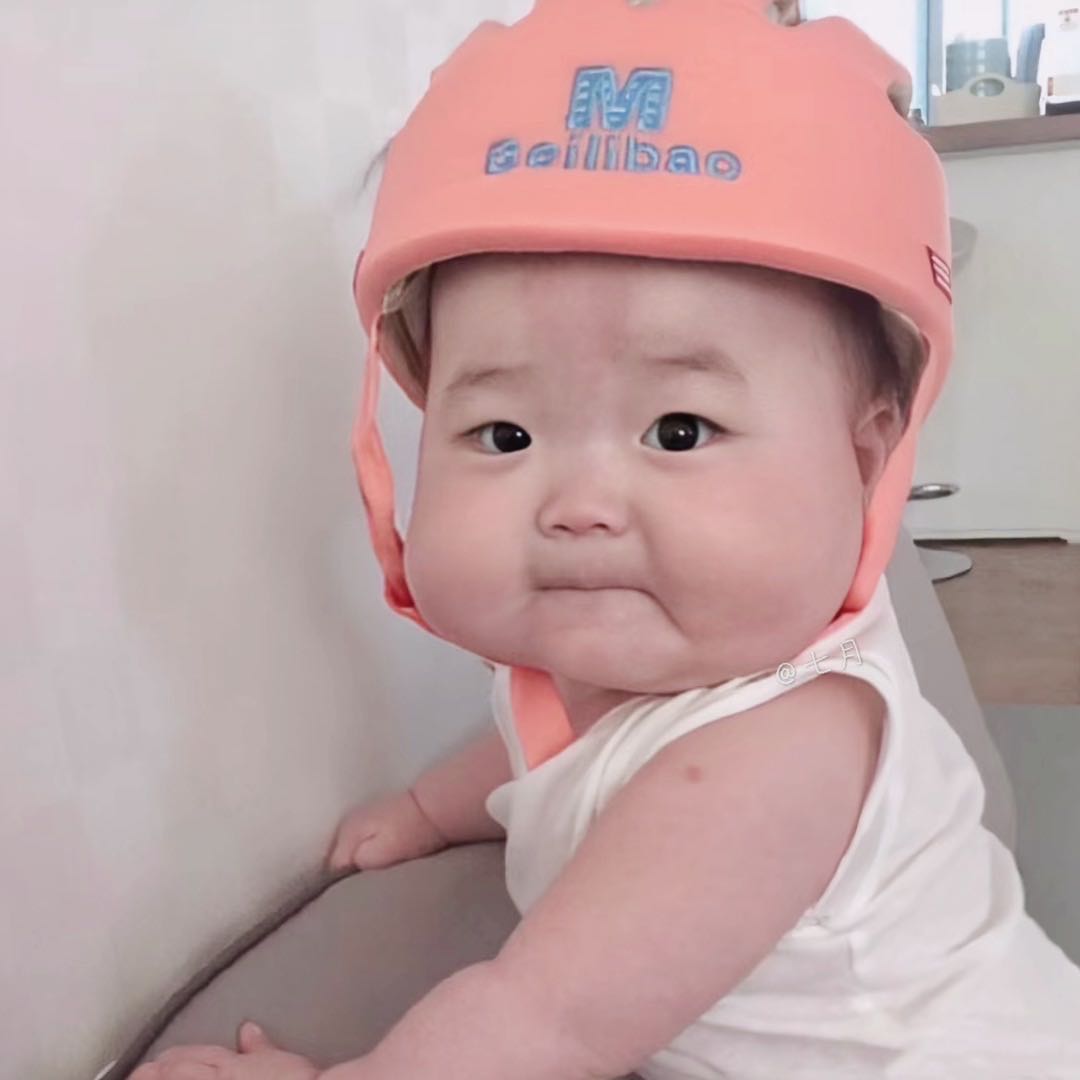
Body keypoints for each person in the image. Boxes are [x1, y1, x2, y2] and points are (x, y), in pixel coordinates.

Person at [136, 1, 1080, 1077]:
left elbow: (543, 1021)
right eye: (505, 434)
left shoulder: (776, 756)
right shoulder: (618, 669)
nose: (579, 504)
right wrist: (429, 812)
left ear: (864, 458)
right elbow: (549, 741)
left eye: (678, 431)